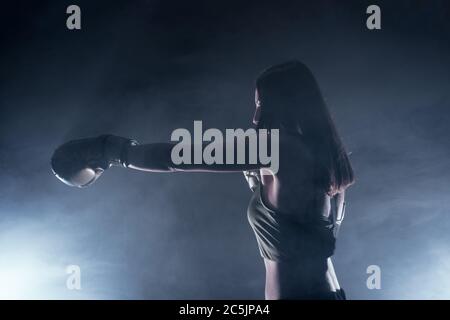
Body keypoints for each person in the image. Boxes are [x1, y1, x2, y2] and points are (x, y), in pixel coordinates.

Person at [51, 61, 355, 299]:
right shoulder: (324, 160)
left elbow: (181, 157)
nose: (255, 117)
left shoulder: (279, 147)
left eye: (262, 103)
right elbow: (304, 238)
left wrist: (111, 150)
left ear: (285, 104)